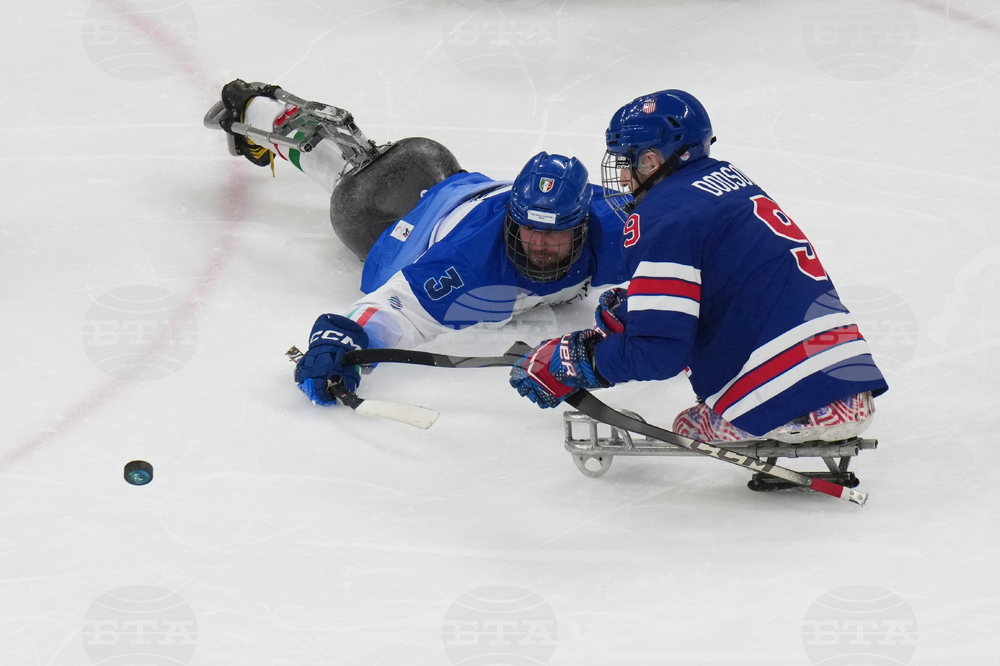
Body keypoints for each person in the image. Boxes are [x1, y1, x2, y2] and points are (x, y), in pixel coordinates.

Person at [210, 80, 627, 405]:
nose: (539, 243)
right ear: (512, 218)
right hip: (406, 224)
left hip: (460, 184)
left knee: (397, 162)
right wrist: (343, 341)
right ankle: (256, 112)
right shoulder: (466, 264)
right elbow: (400, 309)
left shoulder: (618, 223)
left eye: (554, 232)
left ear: (583, 223)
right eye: (529, 228)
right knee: (352, 178)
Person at [508, 89, 888, 443]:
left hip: (787, 401)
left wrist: (577, 361)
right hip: (851, 381)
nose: (623, 176)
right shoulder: (730, 181)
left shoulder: (660, 216)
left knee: (685, 425)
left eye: (627, 160)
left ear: (651, 160)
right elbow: (728, 280)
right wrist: (638, 308)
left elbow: (657, 353)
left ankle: (785, 410)